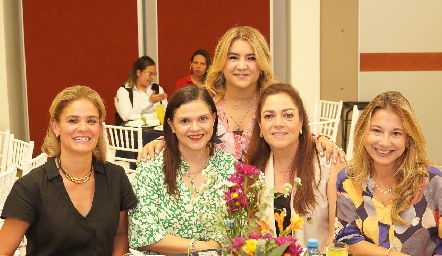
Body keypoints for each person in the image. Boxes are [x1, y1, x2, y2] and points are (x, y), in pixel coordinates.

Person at [139, 26, 345, 163]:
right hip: (212, 208)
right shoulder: (205, 103)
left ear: (262, 64)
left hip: (265, 208)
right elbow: (186, 131)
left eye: (251, 58)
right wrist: (159, 142)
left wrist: (320, 139)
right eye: (234, 57)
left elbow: (292, 130)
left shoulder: (272, 104)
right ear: (222, 62)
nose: (242, 66)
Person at [0, 85, 138, 256]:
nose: (83, 128)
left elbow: (120, 234)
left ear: (100, 127)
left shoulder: (116, 177)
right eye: (73, 120)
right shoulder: (30, 187)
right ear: (56, 126)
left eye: (91, 121)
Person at [128, 85, 236, 254]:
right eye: (185, 121)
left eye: (202, 119)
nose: (195, 128)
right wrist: (199, 248)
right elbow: (142, 233)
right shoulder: (152, 166)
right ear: (171, 124)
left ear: (214, 119)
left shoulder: (229, 167)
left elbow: (238, 227)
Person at [334, 91, 442, 255]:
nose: (384, 142)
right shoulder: (349, 180)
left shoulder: (432, 182)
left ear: (408, 139)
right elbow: (347, 239)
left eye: (396, 133)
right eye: (376, 130)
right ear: (363, 132)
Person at [246, 83, 345, 252]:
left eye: (288, 115)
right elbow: (253, 239)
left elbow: (336, 236)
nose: (278, 123)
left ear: (301, 122)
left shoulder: (328, 162)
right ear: (260, 126)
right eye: (269, 116)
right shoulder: (255, 171)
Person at [115, 56, 168, 126]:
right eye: (149, 74)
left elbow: (166, 112)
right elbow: (126, 116)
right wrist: (149, 102)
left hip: (157, 132)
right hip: (133, 133)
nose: (152, 77)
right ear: (138, 73)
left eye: (154, 74)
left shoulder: (157, 89)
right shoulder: (124, 91)